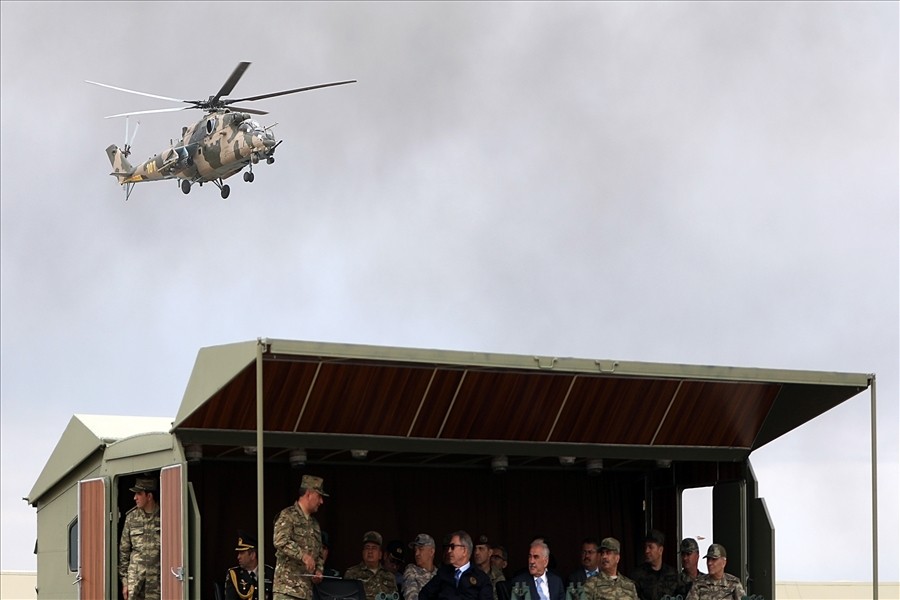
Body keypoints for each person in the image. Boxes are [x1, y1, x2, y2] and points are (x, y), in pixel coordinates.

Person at [273, 474, 328, 600]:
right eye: (319, 496)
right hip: (287, 590)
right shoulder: (288, 515)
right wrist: (303, 556)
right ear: (309, 494)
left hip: (306, 592)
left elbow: (319, 554)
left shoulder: (315, 524)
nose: (321, 501)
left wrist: (318, 571)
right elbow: (280, 541)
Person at [118, 476, 161, 600]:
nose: (135, 497)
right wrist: (125, 582)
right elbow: (124, 552)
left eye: (139, 494)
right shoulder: (131, 518)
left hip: (157, 582)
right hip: (135, 581)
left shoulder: (165, 516)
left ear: (149, 496)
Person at [418, 530, 493, 600]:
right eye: (449, 547)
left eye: (453, 547)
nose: (449, 551)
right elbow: (424, 595)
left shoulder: (481, 578)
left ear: (464, 550)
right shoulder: (443, 573)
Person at [344, 531, 398, 600]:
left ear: (380, 554)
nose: (370, 551)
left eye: (374, 548)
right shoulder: (351, 573)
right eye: (367, 547)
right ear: (363, 552)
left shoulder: (390, 576)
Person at [225, 532, 274, 600]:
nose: (238, 557)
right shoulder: (235, 575)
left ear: (252, 555)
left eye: (242, 553)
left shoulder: (270, 573)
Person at [630, 530, 678, 600]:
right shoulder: (637, 575)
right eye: (645, 547)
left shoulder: (672, 573)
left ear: (660, 550)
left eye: (650, 547)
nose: (646, 551)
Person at [402, 533, 438, 600]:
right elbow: (411, 597)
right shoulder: (411, 570)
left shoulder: (439, 574)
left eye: (421, 549)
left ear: (432, 552)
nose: (416, 554)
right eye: (415, 550)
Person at [474, 535, 505, 600]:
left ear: (490, 552)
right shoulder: (468, 573)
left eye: (481, 549)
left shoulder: (498, 576)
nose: (476, 552)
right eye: (475, 549)